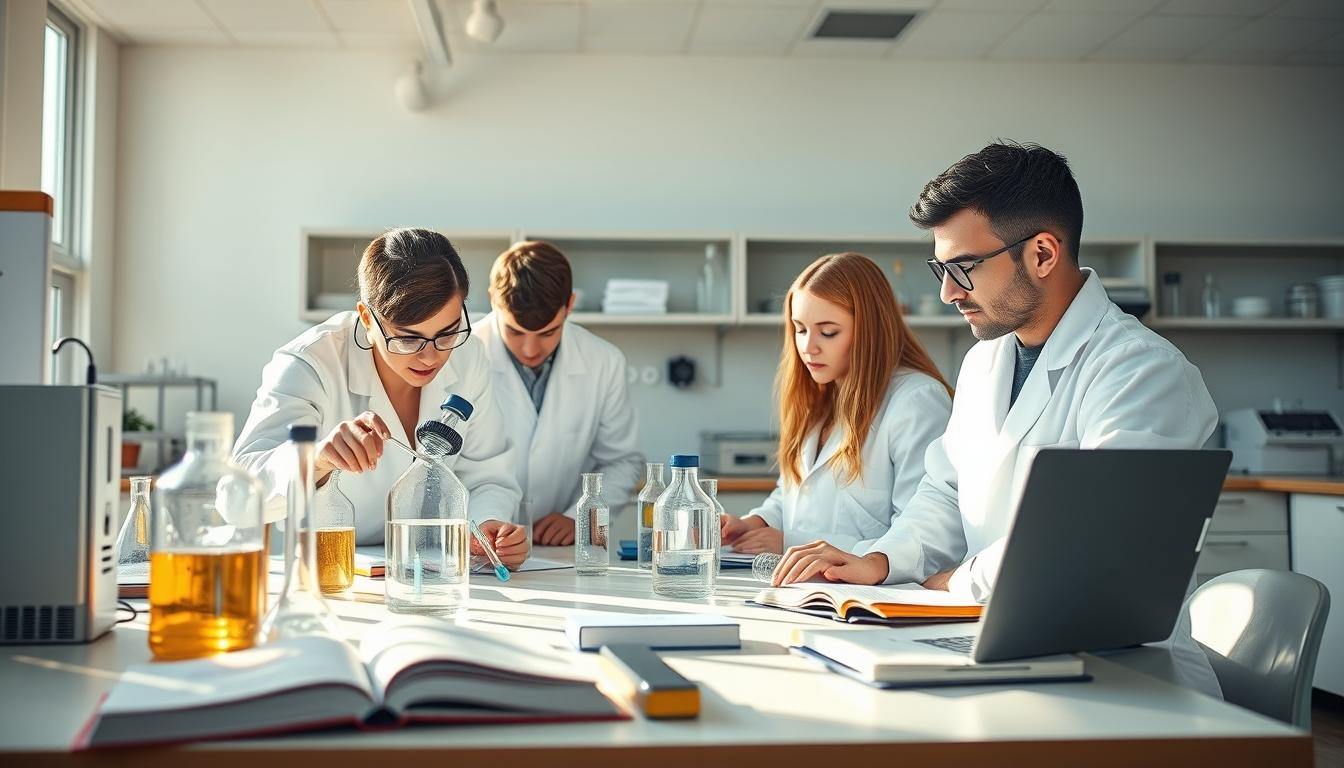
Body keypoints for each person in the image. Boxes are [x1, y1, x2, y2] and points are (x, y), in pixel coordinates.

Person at [771, 142, 1221, 697]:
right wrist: (880, 560)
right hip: (1004, 644)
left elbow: (1086, 542)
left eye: (963, 268)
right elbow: (943, 492)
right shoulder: (985, 362)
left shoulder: (1140, 370)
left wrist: (958, 582)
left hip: (1124, 672)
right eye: (941, 268)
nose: (946, 292)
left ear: (1043, 254)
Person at [233, 228, 528, 567]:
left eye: (446, 333)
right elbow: (236, 499)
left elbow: (488, 473)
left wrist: (487, 527)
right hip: (331, 572)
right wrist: (315, 459)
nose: (430, 357)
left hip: (427, 568)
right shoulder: (310, 363)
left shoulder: (469, 354)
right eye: (407, 339)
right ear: (367, 319)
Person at [720, 252, 952, 555]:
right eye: (800, 329)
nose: (807, 347)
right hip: (802, 587)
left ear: (870, 330)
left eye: (828, 332)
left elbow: (922, 536)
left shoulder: (916, 401)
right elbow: (792, 499)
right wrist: (755, 524)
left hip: (871, 595)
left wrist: (793, 543)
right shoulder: (821, 397)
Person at [473, 241, 643, 546]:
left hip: (559, 547)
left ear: (570, 305)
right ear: (492, 301)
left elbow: (621, 461)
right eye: (515, 331)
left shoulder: (603, 361)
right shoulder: (463, 355)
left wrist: (581, 517)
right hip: (478, 541)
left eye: (548, 333)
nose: (530, 349)